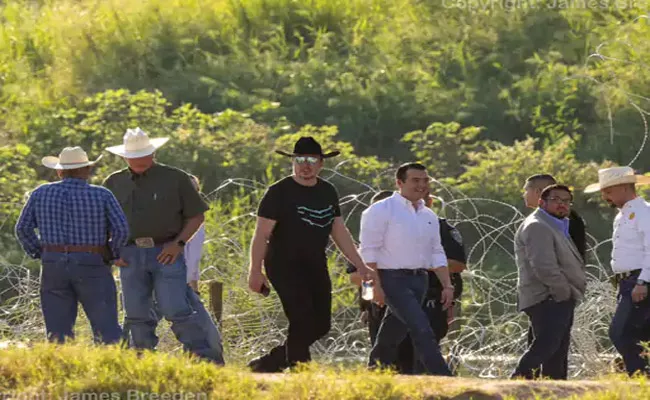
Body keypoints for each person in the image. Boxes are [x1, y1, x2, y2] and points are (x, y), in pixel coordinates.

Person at [246, 136, 376, 373]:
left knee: (321, 325)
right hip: (283, 264)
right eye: (300, 160)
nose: (306, 165)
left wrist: (360, 264)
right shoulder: (278, 192)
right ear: (293, 162)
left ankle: (271, 362)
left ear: (321, 164)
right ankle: (300, 373)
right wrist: (255, 271)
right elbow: (261, 235)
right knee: (301, 318)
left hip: (315, 263)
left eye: (312, 160)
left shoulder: (327, 191)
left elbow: (339, 231)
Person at [103, 127, 222, 363]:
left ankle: (204, 361)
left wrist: (178, 244)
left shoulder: (175, 178)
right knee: (136, 314)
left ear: (153, 153)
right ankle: (142, 362)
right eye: (133, 156)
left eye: (143, 155)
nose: (138, 160)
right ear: (124, 157)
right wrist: (111, 252)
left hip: (165, 251)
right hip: (129, 253)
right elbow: (101, 220)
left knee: (176, 309)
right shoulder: (113, 182)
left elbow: (197, 216)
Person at [15, 146, 128, 344]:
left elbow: (22, 228)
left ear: (60, 171)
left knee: (58, 332)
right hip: (92, 262)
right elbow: (121, 230)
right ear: (86, 170)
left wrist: (40, 252)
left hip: (53, 263)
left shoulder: (40, 193)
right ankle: (111, 368)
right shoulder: (102, 195)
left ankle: (61, 369)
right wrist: (112, 254)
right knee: (106, 327)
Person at [348, 190, 467, 374]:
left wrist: (417, 262)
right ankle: (381, 377)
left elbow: (456, 263)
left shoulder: (438, 226)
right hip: (385, 299)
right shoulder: (372, 233)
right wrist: (368, 299)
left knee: (418, 339)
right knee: (398, 342)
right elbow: (358, 275)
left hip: (428, 298)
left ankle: (438, 376)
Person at [511, 184, 586, 379]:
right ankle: (516, 382)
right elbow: (544, 266)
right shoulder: (537, 225)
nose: (561, 204)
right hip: (547, 297)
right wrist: (563, 292)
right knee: (546, 346)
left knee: (556, 353)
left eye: (566, 201)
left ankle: (554, 391)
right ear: (542, 202)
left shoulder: (556, 224)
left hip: (556, 297)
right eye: (555, 200)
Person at [584, 166, 650, 376]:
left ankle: (640, 375)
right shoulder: (622, 215)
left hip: (639, 279)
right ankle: (642, 377)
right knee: (640, 333)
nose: (604, 196)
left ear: (623, 187)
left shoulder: (643, 212)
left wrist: (642, 282)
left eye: (608, 191)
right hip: (627, 281)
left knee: (620, 332)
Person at [522, 174, 587, 259]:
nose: (524, 195)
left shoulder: (560, 218)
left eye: (526, 190)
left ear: (538, 192)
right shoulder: (552, 216)